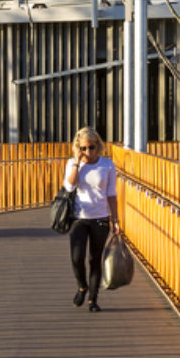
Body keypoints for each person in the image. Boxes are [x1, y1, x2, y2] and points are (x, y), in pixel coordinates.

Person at [62, 126, 117, 312]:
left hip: (100, 218)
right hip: (79, 217)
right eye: (83, 148)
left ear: (98, 146)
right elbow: (69, 187)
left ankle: (93, 299)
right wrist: (77, 163)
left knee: (95, 259)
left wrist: (115, 219)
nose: (88, 152)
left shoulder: (107, 165)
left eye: (91, 148)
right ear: (78, 148)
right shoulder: (72, 163)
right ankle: (82, 286)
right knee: (76, 258)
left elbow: (111, 194)